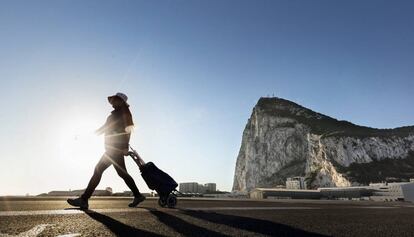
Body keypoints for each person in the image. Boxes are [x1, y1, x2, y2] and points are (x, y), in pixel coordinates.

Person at [67, 92, 145, 209]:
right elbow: (105, 128)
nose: (112, 102)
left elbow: (129, 129)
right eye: (112, 100)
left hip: (115, 148)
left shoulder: (124, 112)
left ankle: (84, 199)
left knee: (98, 170)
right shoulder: (114, 114)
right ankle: (138, 195)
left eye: (114, 100)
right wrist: (89, 135)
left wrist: (125, 146)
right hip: (111, 148)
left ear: (121, 101)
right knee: (121, 173)